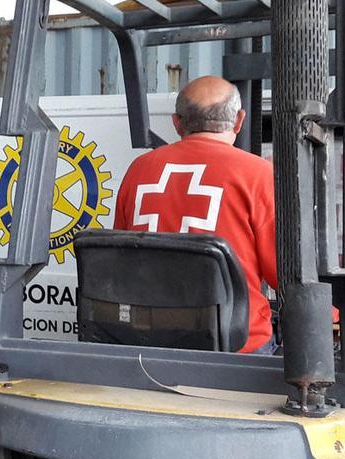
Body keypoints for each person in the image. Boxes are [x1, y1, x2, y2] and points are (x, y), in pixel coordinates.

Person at [113, 76, 279, 354]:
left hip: (150, 340)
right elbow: (286, 275)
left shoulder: (139, 170)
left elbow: (119, 258)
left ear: (177, 123)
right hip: (235, 345)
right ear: (239, 121)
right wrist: (334, 317)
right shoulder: (258, 173)